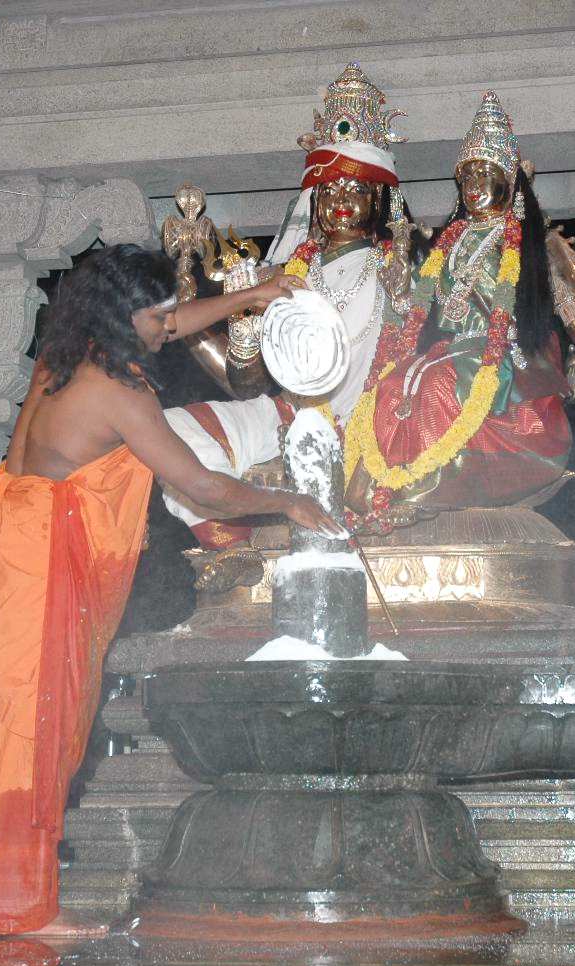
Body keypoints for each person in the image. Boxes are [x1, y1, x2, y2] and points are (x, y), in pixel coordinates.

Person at [0, 244, 341, 937]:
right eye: (155, 316)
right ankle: (19, 908)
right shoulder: (120, 392)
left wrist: (250, 296)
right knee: (37, 722)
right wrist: (289, 503)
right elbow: (203, 486)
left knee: (3, 715)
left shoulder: (63, 359)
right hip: (46, 562)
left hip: (15, 547)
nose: (167, 327)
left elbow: (176, 321)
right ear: (124, 317)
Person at [161, 63, 418, 585]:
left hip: (365, 419)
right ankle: (235, 549)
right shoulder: (282, 277)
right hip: (285, 413)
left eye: (355, 189)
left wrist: (404, 297)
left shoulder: (396, 272)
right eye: (330, 190)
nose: (341, 202)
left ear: (378, 200)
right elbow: (247, 381)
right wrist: (236, 326)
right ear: (313, 201)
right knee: (171, 433)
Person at [344, 91, 575, 522]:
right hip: (449, 350)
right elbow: (418, 310)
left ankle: (416, 490)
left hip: (503, 355)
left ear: (511, 184)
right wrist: (398, 288)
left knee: (435, 384)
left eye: (485, 174)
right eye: (467, 177)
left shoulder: (535, 246)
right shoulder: (446, 244)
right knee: (394, 383)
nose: (473, 186)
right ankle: (374, 487)